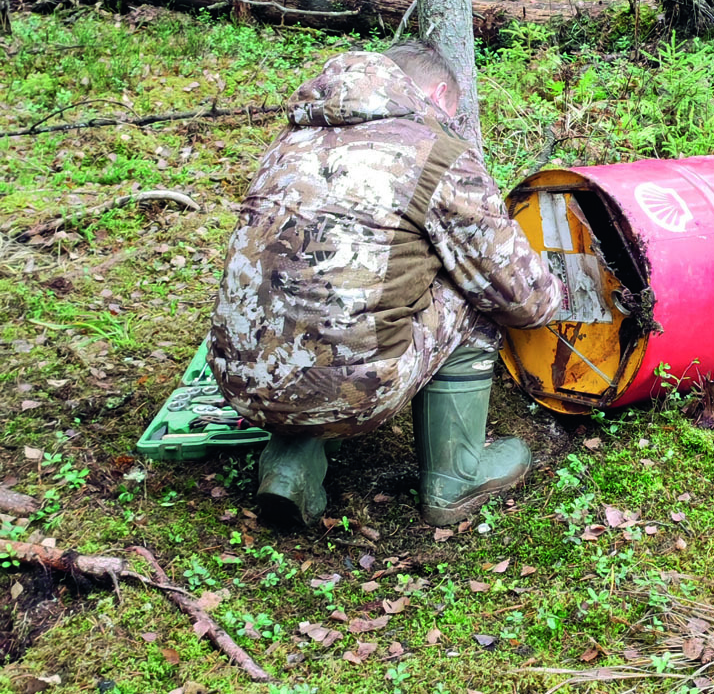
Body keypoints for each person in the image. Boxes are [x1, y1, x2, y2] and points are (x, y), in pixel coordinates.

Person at [208, 41, 563, 526]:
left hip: (240, 379)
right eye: (452, 114)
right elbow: (522, 296)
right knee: (479, 293)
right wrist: (557, 291)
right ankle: (456, 477)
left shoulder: (289, 143)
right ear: (438, 93)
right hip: (350, 389)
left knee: (298, 297)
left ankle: (289, 464)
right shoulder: (435, 151)